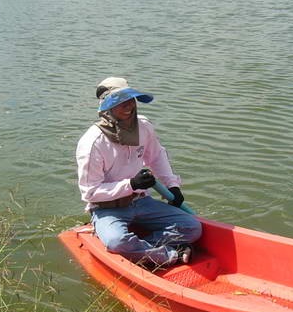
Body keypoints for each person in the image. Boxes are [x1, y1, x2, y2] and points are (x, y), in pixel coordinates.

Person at [75, 77, 202, 268]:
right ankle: (171, 255)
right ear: (106, 108)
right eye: (119, 102)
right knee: (116, 241)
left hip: (141, 201)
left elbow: (157, 156)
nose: (128, 107)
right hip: (108, 208)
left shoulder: (144, 127)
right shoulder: (93, 143)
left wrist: (172, 185)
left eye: (130, 100)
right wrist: (131, 185)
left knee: (193, 228)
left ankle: (140, 249)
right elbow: (90, 192)